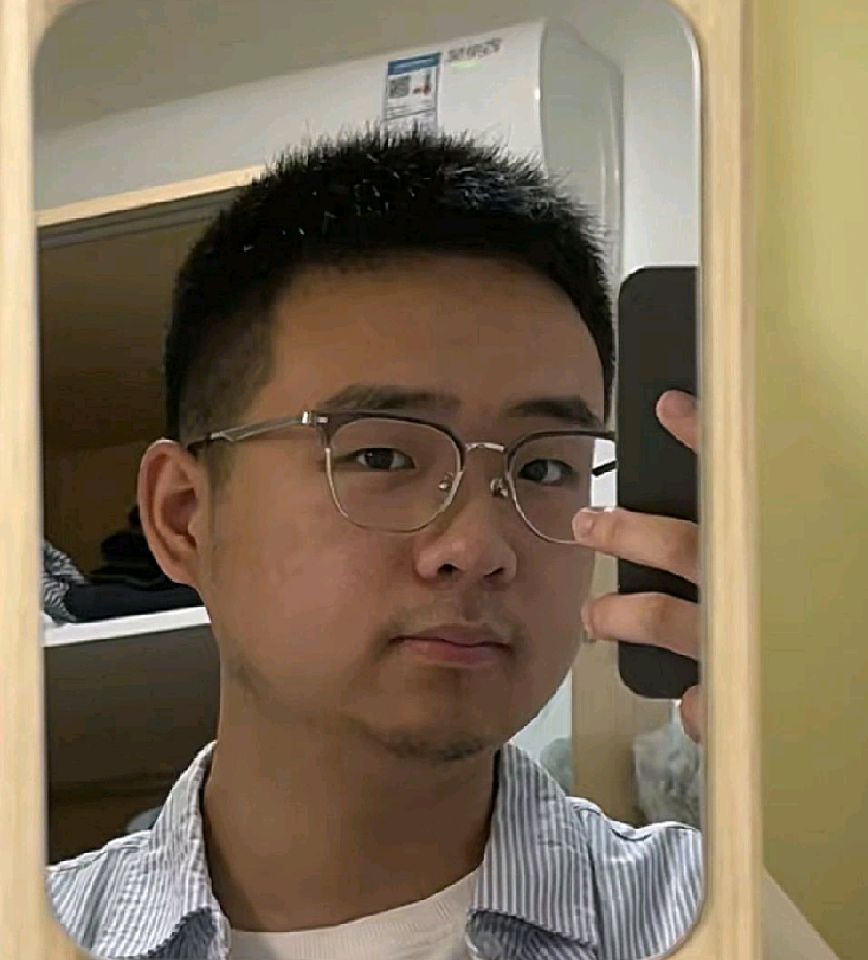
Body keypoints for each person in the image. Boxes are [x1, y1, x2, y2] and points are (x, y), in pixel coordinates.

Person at [47, 129, 705, 960]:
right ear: (184, 518)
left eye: (543, 467)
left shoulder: (705, 916)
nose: (477, 546)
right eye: (383, 457)